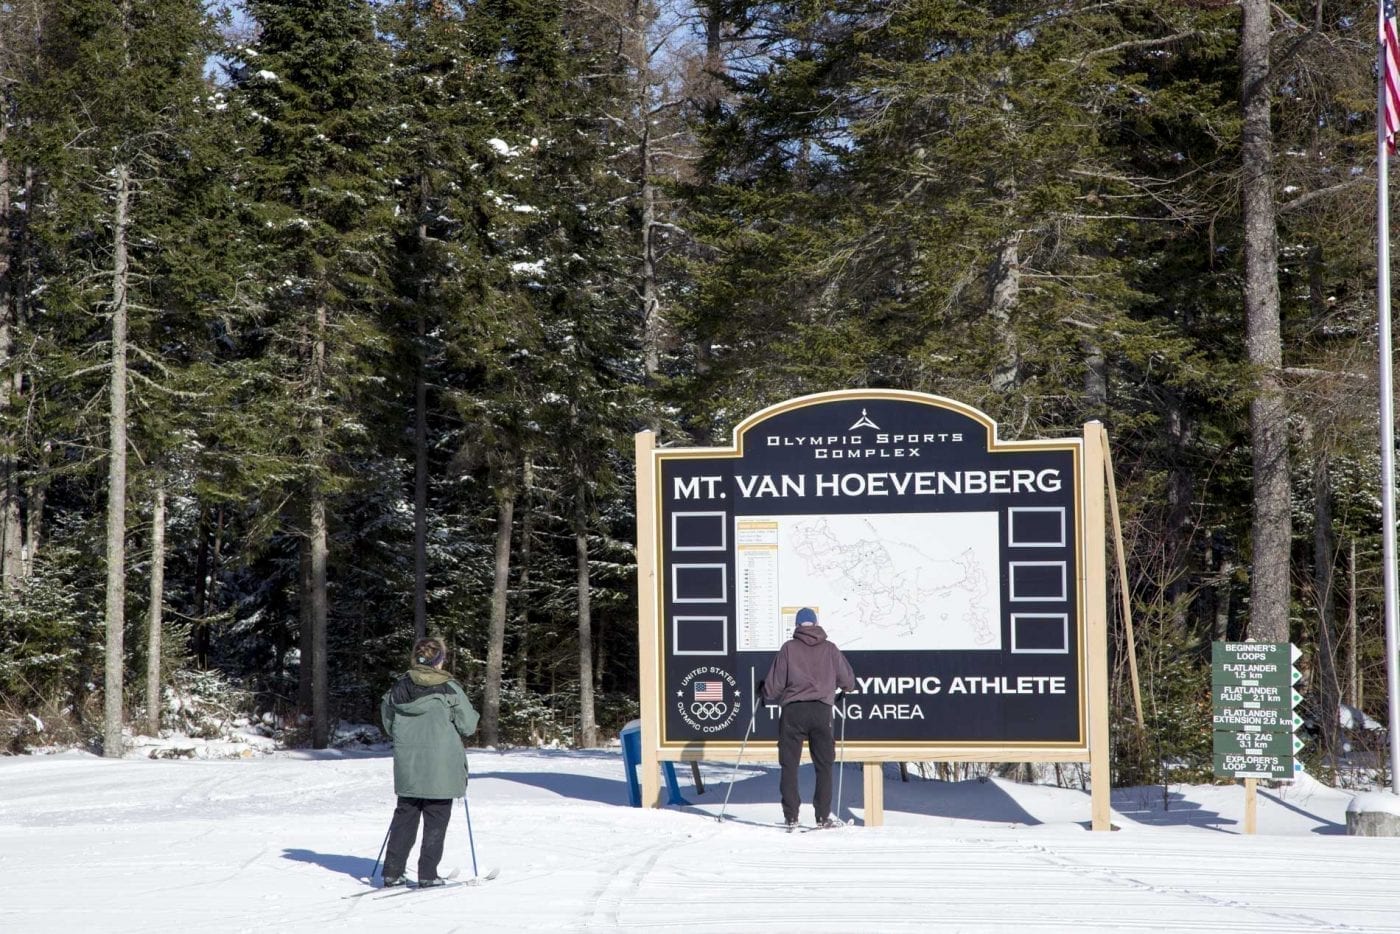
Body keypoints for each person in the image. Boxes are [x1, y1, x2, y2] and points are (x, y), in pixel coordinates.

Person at [379, 636, 479, 887]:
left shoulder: (398, 688)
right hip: (441, 765)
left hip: (409, 762)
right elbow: (468, 725)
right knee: (436, 816)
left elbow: (389, 725)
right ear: (440, 660)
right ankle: (427, 874)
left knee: (406, 814)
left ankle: (392, 871)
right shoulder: (450, 687)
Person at [760, 606, 855, 830]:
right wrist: (841, 688)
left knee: (789, 765)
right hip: (821, 711)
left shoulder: (788, 649)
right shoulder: (830, 649)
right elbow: (848, 682)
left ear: (797, 625)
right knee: (824, 765)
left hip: (793, 712)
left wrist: (763, 691)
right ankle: (823, 816)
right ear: (815, 623)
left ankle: (791, 816)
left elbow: (773, 688)